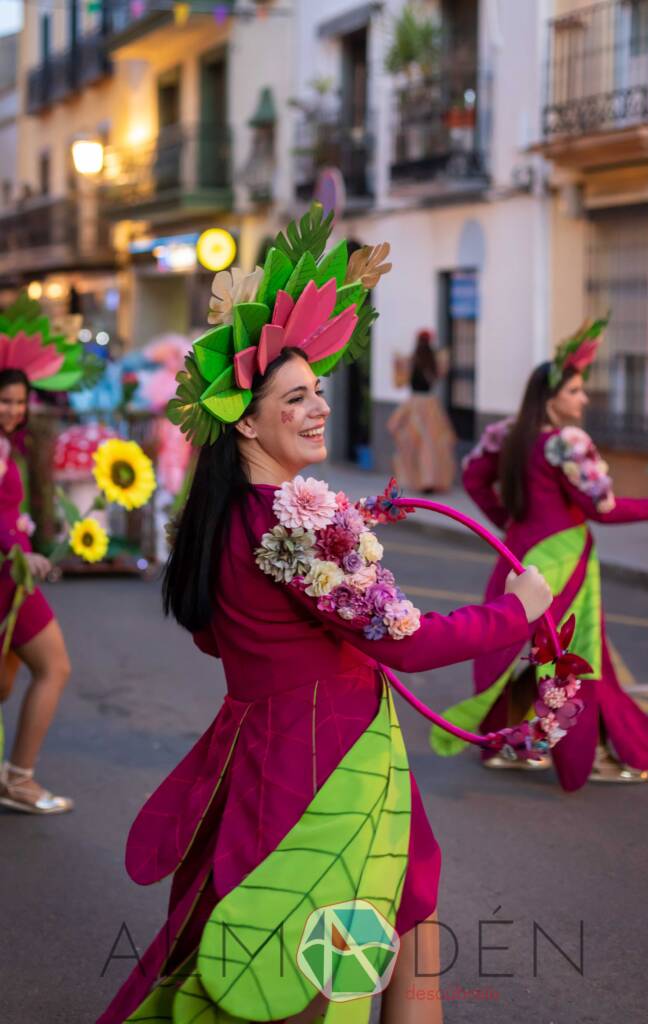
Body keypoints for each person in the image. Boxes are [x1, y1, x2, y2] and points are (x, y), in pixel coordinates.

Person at [97, 213, 552, 1024]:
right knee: (309, 965)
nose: (317, 411)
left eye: (319, 395)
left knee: (405, 906)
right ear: (245, 419)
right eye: (295, 398)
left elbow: (215, 634)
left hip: (277, 741)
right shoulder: (293, 520)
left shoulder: (224, 514)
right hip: (320, 759)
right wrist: (513, 614)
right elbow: (404, 642)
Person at [446, 319, 648, 791]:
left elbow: (473, 478)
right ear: (550, 397)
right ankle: (589, 756)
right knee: (574, 656)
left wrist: (509, 524)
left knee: (520, 650)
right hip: (564, 560)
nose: (584, 399)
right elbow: (605, 509)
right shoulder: (566, 442)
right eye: (575, 390)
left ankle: (507, 745)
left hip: (518, 555)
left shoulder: (512, 435)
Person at [0, 369, 72, 813]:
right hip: (9, 576)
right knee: (55, 667)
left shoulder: (9, 445)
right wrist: (18, 550)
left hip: (14, 575)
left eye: (20, 402)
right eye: (5, 402)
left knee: (4, 684)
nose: (14, 410)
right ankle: (20, 780)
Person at [387, 329, 456, 493]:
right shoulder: (434, 360)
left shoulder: (411, 361)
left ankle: (419, 480)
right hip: (431, 405)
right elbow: (443, 368)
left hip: (414, 405)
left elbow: (400, 381)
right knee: (433, 444)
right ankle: (430, 479)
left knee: (412, 443)